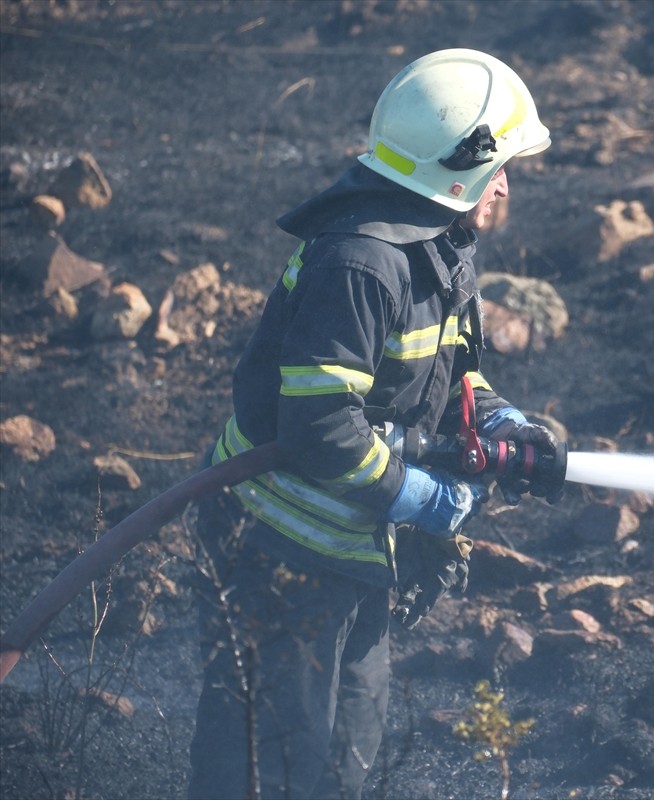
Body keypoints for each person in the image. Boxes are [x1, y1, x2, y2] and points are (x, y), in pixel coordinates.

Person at [187, 49, 560, 800]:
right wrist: (417, 497)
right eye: (501, 167)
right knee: (267, 767)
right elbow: (320, 425)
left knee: (346, 755)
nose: (506, 184)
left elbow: (447, 373)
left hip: (352, 550)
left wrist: (501, 421)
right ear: (461, 170)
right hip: (281, 549)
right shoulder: (360, 265)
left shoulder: (439, 243)